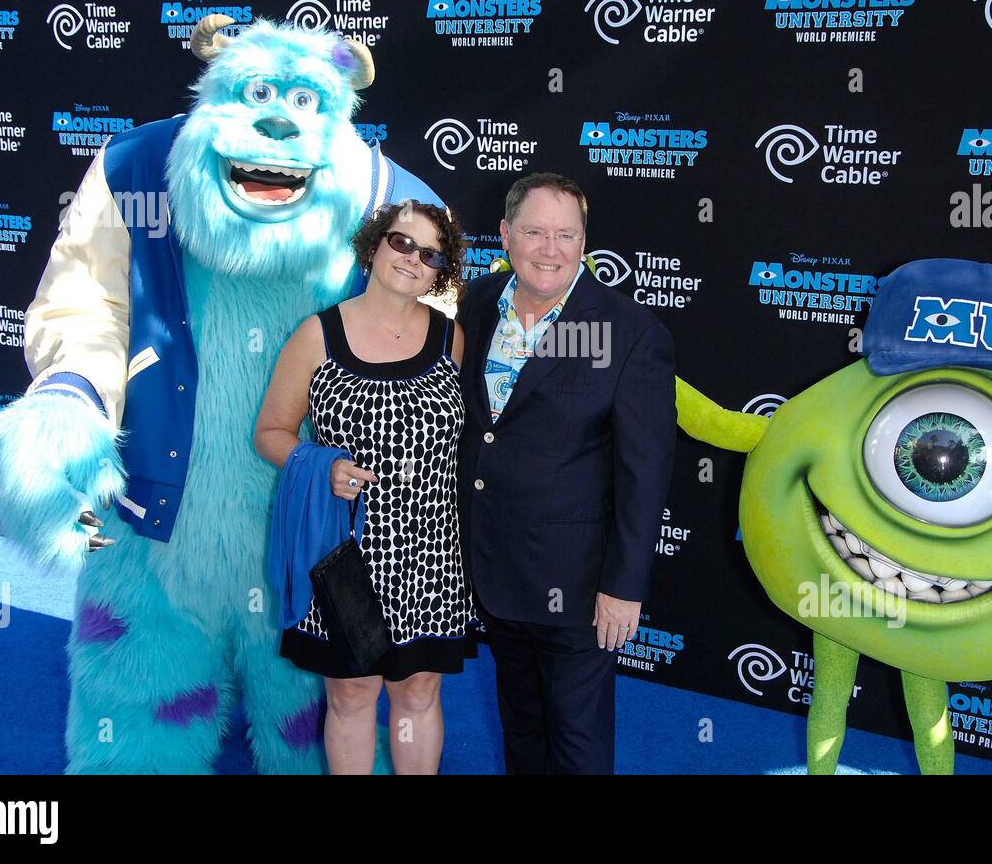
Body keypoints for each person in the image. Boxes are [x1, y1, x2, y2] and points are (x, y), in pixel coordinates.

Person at [456, 172, 676, 774]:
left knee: (577, 746)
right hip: (493, 566)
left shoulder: (629, 334)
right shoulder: (474, 304)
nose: (549, 249)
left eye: (565, 234)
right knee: (521, 727)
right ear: (504, 235)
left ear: (584, 242)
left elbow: (644, 473)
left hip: (579, 585)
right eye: (533, 232)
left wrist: (624, 586)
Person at [254, 201, 475, 775]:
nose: (412, 260)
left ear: (441, 272)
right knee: (351, 694)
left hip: (432, 555)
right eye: (402, 243)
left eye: (430, 254)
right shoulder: (317, 333)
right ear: (375, 245)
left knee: (419, 691)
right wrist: (318, 464)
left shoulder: (452, 339)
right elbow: (271, 433)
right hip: (348, 551)